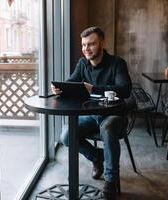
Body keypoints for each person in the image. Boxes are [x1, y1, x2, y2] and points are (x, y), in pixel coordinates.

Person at [52, 26, 132, 200]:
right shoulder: (83, 64)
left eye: (91, 44)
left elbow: (125, 90)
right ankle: (97, 157)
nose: (86, 49)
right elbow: (71, 83)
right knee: (66, 136)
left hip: (114, 115)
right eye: (83, 45)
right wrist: (61, 89)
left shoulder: (117, 63)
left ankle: (110, 180)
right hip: (90, 115)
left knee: (108, 129)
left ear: (102, 43)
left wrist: (94, 88)